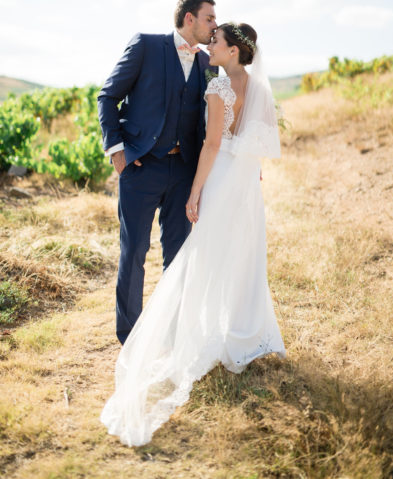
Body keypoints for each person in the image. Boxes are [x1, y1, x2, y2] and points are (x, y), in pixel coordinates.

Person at [100, 22, 286, 447]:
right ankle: (245, 331)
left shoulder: (218, 85)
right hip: (245, 187)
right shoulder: (257, 88)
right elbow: (257, 143)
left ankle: (192, 337)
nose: (210, 42)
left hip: (216, 179)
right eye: (209, 29)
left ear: (234, 51)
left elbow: (213, 144)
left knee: (198, 259)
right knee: (242, 256)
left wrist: (196, 190)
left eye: (217, 39)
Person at [98, 0, 217, 344]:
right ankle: (130, 337)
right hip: (140, 166)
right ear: (190, 19)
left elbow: (212, 121)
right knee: (134, 251)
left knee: (178, 255)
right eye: (209, 18)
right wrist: (117, 152)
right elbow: (107, 96)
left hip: (184, 171)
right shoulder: (146, 46)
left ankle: (170, 334)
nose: (214, 25)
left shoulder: (209, 63)